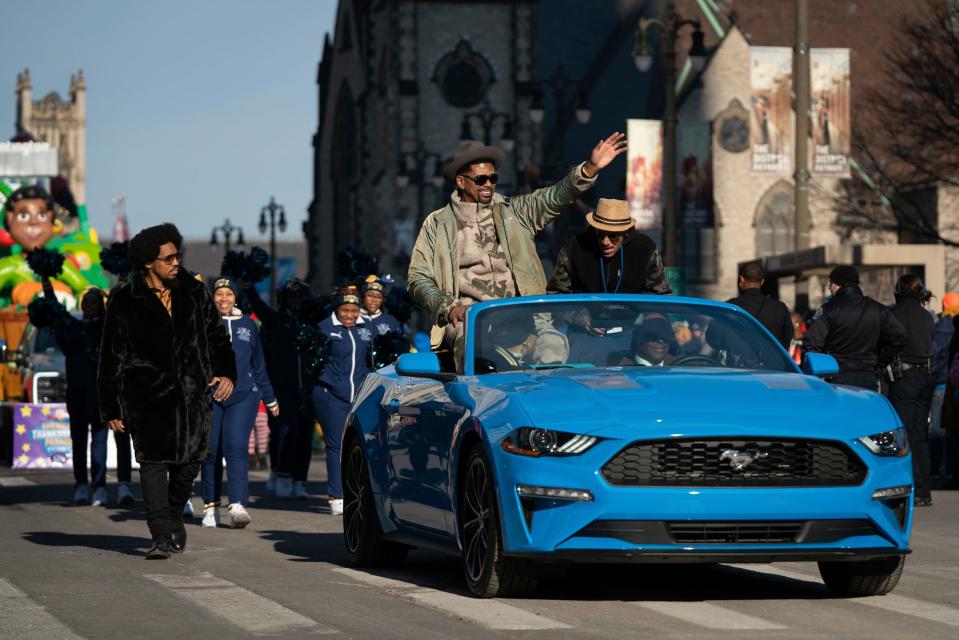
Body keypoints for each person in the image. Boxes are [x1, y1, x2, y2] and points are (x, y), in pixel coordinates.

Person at [408, 133, 627, 367]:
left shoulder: (514, 212)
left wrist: (589, 169)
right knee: (471, 349)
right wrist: (449, 307)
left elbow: (552, 198)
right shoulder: (438, 223)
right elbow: (417, 277)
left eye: (493, 178)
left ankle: (540, 403)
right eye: (481, 179)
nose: (489, 184)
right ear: (461, 182)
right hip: (470, 322)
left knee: (553, 345)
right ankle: (479, 402)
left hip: (524, 318)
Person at [98, 223, 236, 559]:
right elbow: (110, 356)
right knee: (153, 465)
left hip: (194, 396)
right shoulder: (124, 301)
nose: (176, 263)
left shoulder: (195, 292)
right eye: (168, 258)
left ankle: (175, 515)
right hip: (147, 397)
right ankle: (159, 534)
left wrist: (226, 374)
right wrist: (111, 406)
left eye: (178, 255)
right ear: (148, 262)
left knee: (190, 465)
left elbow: (218, 339)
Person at [40, 282, 134, 506]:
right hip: (77, 393)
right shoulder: (73, 328)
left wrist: (121, 280)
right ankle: (81, 484)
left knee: (104, 439)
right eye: (86, 303)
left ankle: (107, 487)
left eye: (94, 302)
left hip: (106, 394)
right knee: (79, 440)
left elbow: (121, 308)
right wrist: (46, 282)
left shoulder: (108, 328)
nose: (90, 306)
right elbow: (56, 312)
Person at [200, 278, 279, 529]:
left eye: (228, 294)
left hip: (243, 395)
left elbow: (258, 365)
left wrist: (270, 397)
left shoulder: (248, 325)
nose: (224, 299)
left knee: (235, 447)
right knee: (210, 451)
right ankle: (210, 507)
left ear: (235, 298)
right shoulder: (203, 323)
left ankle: (237, 505)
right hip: (210, 396)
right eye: (219, 294)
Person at [242, 278, 313, 498]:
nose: (297, 300)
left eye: (300, 296)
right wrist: (248, 286)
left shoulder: (310, 322)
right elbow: (259, 308)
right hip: (282, 387)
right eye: (292, 296)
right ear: (284, 298)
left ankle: (300, 480)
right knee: (285, 432)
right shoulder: (275, 321)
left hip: (308, 388)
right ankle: (281, 472)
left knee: (305, 435)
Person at [313, 288, 371, 516]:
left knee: (358, 446)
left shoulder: (366, 328)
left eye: (354, 311)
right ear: (337, 310)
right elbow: (313, 361)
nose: (349, 315)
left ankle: (356, 492)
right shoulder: (325, 328)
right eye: (345, 310)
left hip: (359, 397)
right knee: (336, 446)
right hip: (331, 396)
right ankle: (336, 496)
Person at [804, 265, 907, 390]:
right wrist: (880, 360)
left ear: (841, 284)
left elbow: (811, 344)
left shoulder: (828, 310)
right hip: (868, 376)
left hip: (836, 377)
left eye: (831, 282)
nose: (829, 287)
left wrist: (821, 371)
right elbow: (900, 336)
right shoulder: (877, 309)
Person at [548, 198, 670, 298]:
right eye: (600, 234)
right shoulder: (574, 246)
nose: (605, 242)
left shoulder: (645, 248)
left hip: (631, 322)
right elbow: (556, 294)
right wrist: (578, 317)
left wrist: (644, 317)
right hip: (581, 324)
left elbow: (660, 295)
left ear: (625, 232)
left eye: (613, 236)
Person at [883, 275, 936, 507]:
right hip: (926, 375)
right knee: (921, 434)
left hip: (904, 377)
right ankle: (925, 490)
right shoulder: (927, 316)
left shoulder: (895, 314)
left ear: (899, 290)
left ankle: (910, 488)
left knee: (904, 434)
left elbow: (888, 343)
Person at [726, 263, 793, 349]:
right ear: (762, 282)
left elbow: (713, 339)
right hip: (771, 361)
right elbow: (788, 339)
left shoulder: (730, 307)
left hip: (738, 361)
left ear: (742, 279)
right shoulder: (780, 308)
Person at [929, 292, 959, 479]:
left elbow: (933, 353)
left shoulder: (944, 325)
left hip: (944, 383)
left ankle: (940, 468)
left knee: (939, 430)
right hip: (949, 382)